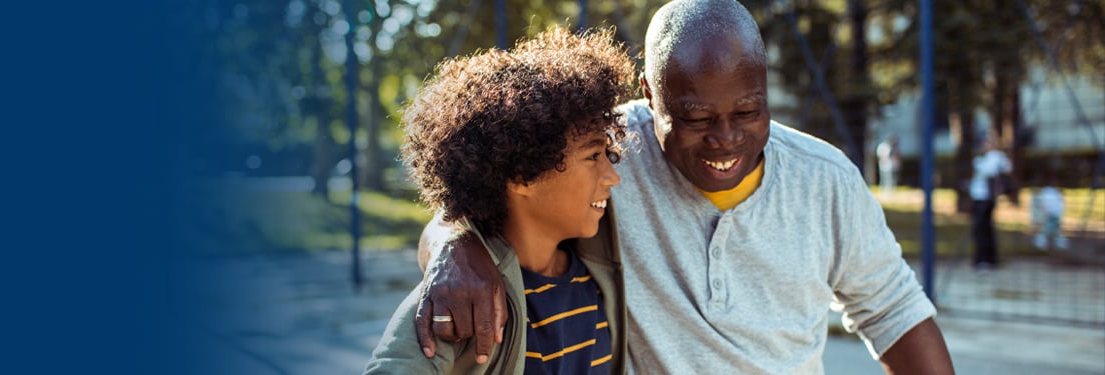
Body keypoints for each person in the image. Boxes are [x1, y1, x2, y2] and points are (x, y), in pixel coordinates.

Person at [410, 0, 956, 373]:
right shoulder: (606, 155)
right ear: (651, 94)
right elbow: (486, 190)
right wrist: (457, 247)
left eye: (748, 110)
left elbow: (894, 311)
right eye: (696, 119)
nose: (726, 139)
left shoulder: (826, 180)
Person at [364, 27, 636, 374]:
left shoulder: (594, 276)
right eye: (592, 155)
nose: (613, 176)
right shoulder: (459, 301)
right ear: (523, 174)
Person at [969, 136, 1014, 269]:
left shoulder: (995, 157)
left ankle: (984, 259)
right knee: (984, 228)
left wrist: (979, 164)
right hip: (980, 197)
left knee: (982, 228)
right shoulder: (989, 157)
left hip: (985, 198)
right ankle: (987, 258)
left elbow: (992, 171)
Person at [1031, 174, 1068, 251]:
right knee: (1045, 231)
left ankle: (1057, 245)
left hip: (1054, 215)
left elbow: (1059, 204)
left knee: (1055, 232)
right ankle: (1041, 245)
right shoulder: (1046, 192)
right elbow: (1044, 204)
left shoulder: (1055, 192)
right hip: (1048, 215)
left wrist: (1059, 213)